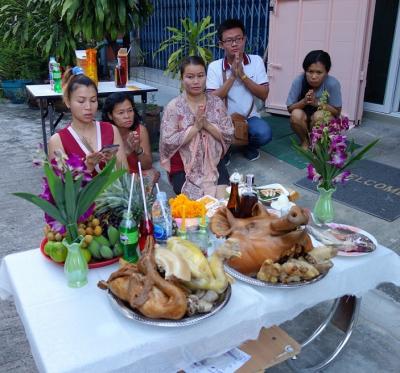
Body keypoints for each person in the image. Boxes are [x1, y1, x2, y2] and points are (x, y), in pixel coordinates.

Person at [159, 56, 234, 200]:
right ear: (182, 78)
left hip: (214, 163)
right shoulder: (174, 107)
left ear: (206, 77)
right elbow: (168, 141)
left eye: (200, 76)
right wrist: (195, 128)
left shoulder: (216, 103)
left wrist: (206, 125)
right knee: (196, 205)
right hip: (184, 167)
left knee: (222, 201)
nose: (196, 81)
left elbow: (228, 133)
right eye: (190, 77)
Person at [206, 18, 271, 163]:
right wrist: (232, 77)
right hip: (223, 120)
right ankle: (225, 149)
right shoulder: (214, 67)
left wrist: (242, 75)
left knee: (264, 133)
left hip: (250, 117)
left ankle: (247, 146)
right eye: (229, 40)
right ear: (221, 45)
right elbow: (212, 99)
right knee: (211, 130)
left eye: (238, 39)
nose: (234, 44)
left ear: (244, 39)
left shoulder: (256, 61)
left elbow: (264, 94)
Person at [48, 66, 127, 175]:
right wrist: (86, 167)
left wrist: (112, 162)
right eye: (81, 101)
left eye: (93, 100)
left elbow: (125, 174)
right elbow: (60, 187)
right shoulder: (58, 140)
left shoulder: (111, 130)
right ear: (67, 102)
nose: (88, 107)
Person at [102, 92, 160, 191]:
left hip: (135, 176)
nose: (127, 116)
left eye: (130, 110)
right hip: (114, 178)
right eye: (121, 113)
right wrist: (127, 151)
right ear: (110, 115)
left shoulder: (140, 130)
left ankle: (140, 203)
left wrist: (138, 150)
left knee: (152, 172)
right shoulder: (104, 133)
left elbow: (147, 165)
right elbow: (105, 168)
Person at [287, 50, 342, 148]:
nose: (313, 76)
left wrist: (317, 103)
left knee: (319, 116)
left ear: (326, 72)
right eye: (310, 71)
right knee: (295, 114)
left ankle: (316, 143)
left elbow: (337, 112)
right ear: (305, 71)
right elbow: (290, 108)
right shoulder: (299, 80)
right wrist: (304, 102)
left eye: (319, 72)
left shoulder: (333, 83)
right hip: (304, 120)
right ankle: (305, 141)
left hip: (323, 121)